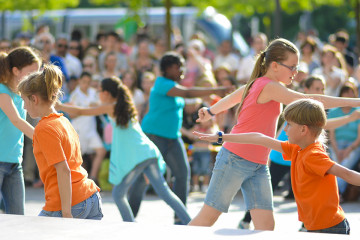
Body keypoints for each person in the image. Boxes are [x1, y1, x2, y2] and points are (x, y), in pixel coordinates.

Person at [188, 38, 360, 230]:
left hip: (259, 165)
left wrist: (210, 111)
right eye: (292, 67)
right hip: (234, 159)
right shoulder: (269, 86)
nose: (295, 72)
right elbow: (310, 101)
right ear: (275, 65)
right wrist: (355, 101)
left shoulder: (259, 84)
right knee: (207, 219)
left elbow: (233, 97)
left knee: (266, 227)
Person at [194, 98, 360, 235]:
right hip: (315, 227)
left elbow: (347, 174)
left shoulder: (313, 155)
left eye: (289, 125)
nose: (285, 129)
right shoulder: (297, 149)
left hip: (330, 228)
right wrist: (222, 137)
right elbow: (259, 138)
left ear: (303, 129)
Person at [56, 76, 191, 224]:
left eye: (100, 91)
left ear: (106, 93)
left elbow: (82, 112)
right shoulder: (125, 106)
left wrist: (60, 106)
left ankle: (130, 225)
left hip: (139, 156)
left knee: (119, 194)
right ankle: (189, 222)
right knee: (165, 193)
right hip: (148, 153)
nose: (98, 94)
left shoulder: (112, 107)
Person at [141, 51, 232, 224]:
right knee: (144, 177)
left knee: (182, 174)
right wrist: (219, 89)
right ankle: (128, 216)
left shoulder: (173, 87)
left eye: (182, 66)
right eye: (178, 67)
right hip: (154, 136)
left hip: (172, 138)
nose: (182, 70)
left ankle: (180, 217)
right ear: (167, 69)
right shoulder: (161, 83)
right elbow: (189, 93)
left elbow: (188, 101)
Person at [18, 64, 102, 219]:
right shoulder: (63, 121)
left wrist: (66, 213)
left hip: (69, 204)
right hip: (90, 196)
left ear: (34, 99)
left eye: (24, 100)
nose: (23, 106)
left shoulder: (44, 128)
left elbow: (63, 170)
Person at [0, 46, 41, 214]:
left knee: (18, 217)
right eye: (32, 72)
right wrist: (43, 139)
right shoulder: (2, 91)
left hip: (15, 163)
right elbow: (16, 120)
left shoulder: (21, 92)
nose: (36, 76)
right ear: (16, 71)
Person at [68, 72, 106, 182]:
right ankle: (83, 181)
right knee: (80, 157)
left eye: (88, 82)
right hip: (79, 129)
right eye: (84, 82)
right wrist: (85, 109)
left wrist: (95, 106)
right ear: (79, 81)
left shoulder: (93, 92)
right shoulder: (75, 95)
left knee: (101, 151)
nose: (86, 84)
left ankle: (93, 178)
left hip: (91, 129)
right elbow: (72, 115)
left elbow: (100, 104)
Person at [328, 83, 360, 201]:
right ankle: (336, 194)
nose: (349, 94)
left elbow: (359, 137)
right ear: (341, 94)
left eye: (351, 92)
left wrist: (348, 150)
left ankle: (336, 193)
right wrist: (337, 150)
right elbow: (331, 135)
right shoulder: (333, 112)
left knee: (345, 165)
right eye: (346, 92)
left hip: (353, 146)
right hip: (336, 145)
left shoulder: (358, 111)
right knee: (335, 165)